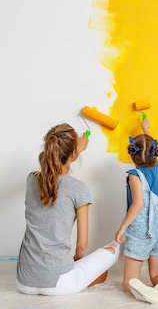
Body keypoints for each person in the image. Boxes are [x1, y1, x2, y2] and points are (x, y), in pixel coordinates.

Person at [16, 123, 121, 295]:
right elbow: (82, 245)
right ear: (73, 153)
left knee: (97, 272)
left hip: (24, 281)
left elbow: (48, 174)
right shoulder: (78, 188)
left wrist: (72, 152)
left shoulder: (31, 180)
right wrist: (77, 264)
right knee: (115, 250)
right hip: (59, 284)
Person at [115, 118, 158, 304]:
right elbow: (150, 153)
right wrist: (145, 128)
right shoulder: (157, 169)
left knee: (128, 279)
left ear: (132, 155)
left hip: (140, 232)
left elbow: (138, 205)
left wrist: (122, 228)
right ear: (154, 153)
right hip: (157, 229)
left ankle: (137, 287)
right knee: (156, 274)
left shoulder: (135, 175)